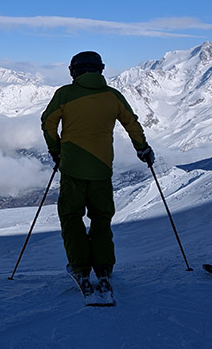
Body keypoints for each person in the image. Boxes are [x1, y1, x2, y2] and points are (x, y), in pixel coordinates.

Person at [41, 51, 154, 295]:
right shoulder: (113, 96)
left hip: (72, 167)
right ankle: (104, 268)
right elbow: (132, 124)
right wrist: (142, 149)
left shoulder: (65, 94)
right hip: (102, 168)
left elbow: (48, 122)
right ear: (100, 70)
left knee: (71, 217)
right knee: (101, 218)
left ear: (74, 71)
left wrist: (56, 150)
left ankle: (80, 267)